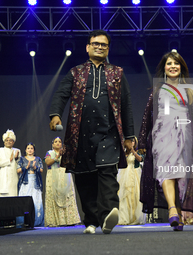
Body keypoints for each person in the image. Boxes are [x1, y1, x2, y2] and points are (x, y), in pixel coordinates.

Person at [49, 30, 135, 234]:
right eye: (95, 43)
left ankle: (108, 215)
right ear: (87, 47)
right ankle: (91, 221)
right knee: (84, 177)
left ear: (108, 49)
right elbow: (61, 95)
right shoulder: (75, 72)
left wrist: (130, 136)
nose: (99, 47)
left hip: (109, 131)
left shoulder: (117, 73)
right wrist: (55, 115)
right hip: (80, 133)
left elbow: (126, 105)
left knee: (107, 174)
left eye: (104, 45)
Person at [138, 51, 193, 231]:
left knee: (181, 176)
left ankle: (177, 214)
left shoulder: (190, 90)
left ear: (181, 67)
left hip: (185, 136)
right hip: (162, 135)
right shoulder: (157, 91)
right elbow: (147, 118)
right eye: (169, 63)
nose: (173, 66)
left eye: (176, 63)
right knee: (166, 171)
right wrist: (142, 140)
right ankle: (172, 209)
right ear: (164, 67)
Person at [44, 137, 81, 227]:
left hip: (64, 175)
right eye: (55, 142)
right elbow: (48, 162)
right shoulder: (49, 153)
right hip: (53, 175)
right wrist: (57, 157)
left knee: (66, 195)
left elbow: (71, 163)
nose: (58, 143)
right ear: (52, 144)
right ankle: (55, 221)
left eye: (60, 142)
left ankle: (69, 220)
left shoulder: (66, 153)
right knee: (53, 195)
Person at [117, 136, 146, 225]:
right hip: (124, 175)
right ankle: (125, 218)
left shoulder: (138, 153)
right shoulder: (123, 154)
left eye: (133, 141)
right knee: (124, 196)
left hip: (135, 175)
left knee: (135, 195)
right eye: (130, 141)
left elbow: (140, 159)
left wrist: (133, 152)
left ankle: (135, 218)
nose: (132, 143)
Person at [17, 143, 44, 227]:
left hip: (35, 181)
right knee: (24, 200)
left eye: (31, 148)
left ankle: (37, 221)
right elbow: (18, 170)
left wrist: (36, 168)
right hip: (25, 182)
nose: (30, 150)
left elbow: (42, 170)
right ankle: (24, 221)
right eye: (28, 148)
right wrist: (26, 167)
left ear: (34, 150)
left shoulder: (38, 159)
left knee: (36, 200)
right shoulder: (22, 159)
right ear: (25, 150)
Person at [0, 130, 21, 197]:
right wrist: (9, 160)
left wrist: (16, 159)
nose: (8, 142)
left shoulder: (17, 151)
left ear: (13, 142)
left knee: (13, 197)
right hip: (3, 178)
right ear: (4, 141)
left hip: (13, 179)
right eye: (7, 140)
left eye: (10, 140)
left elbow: (19, 165)